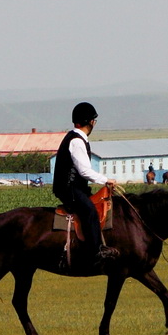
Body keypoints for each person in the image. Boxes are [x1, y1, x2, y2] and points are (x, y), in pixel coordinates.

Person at [53, 102, 119, 266]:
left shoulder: (78, 138)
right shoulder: (77, 141)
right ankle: (96, 251)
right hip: (69, 189)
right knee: (90, 211)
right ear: (90, 122)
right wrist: (106, 180)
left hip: (76, 188)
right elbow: (84, 171)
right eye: (94, 120)